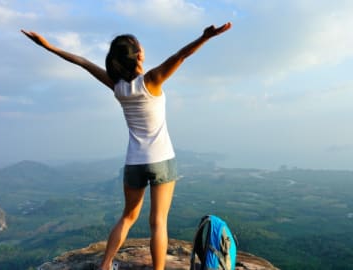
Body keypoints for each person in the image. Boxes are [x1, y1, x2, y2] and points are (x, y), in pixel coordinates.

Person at [21, 22, 232, 270]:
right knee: (159, 222)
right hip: (162, 159)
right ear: (139, 55)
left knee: (128, 216)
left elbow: (82, 62)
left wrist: (48, 46)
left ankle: (105, 265)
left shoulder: (117, 87)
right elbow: (181, 56)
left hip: (134, 162)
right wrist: (205, 37)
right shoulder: (152, 80)